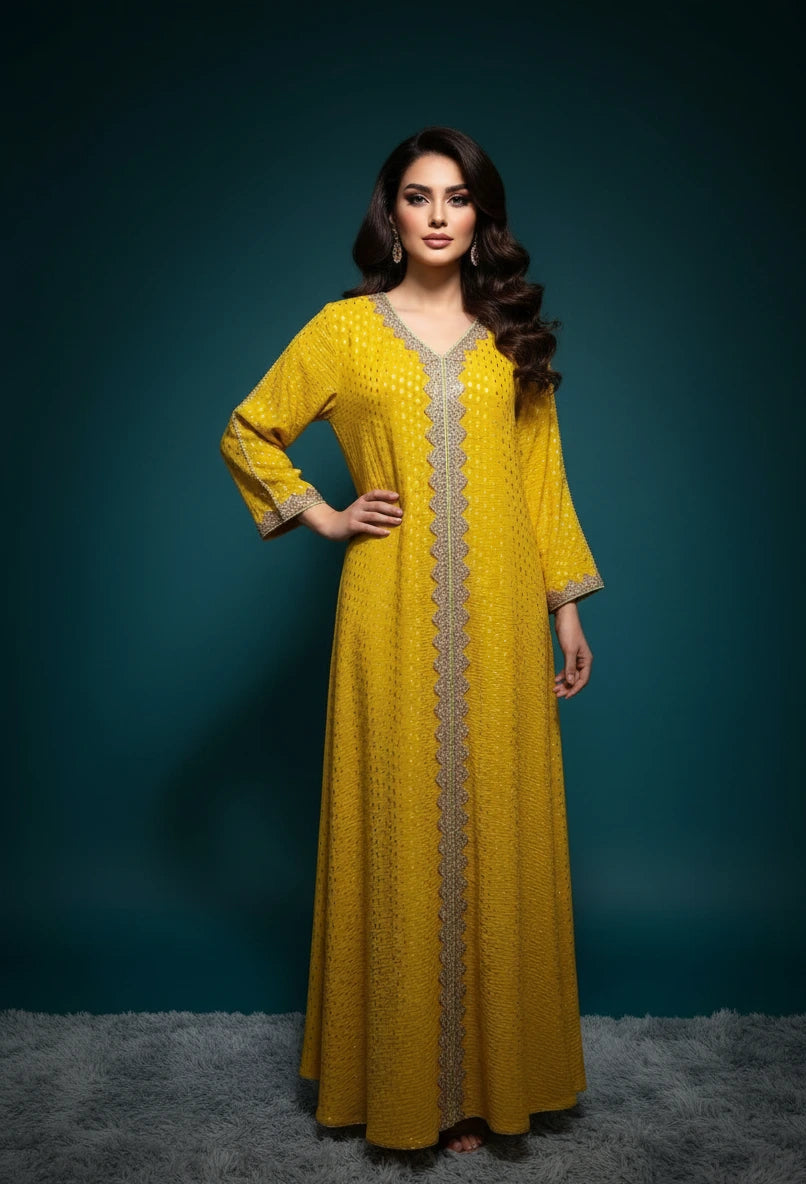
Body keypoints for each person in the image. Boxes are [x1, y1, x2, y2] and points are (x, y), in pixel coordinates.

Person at [219, 126, 604, 1155]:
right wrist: (323, 514)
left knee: (495, 822)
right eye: (419, 196)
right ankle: (401, 1086)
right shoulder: (344, 331)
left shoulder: (509, 336)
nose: (439, 215)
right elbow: (249, 429)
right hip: (387, 607)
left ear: (482, 216)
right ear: (390, 212)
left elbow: (542, 480)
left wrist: (566, 606)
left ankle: (487, 1087)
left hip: (503, 615)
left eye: (458, 197)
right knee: (402, 824)